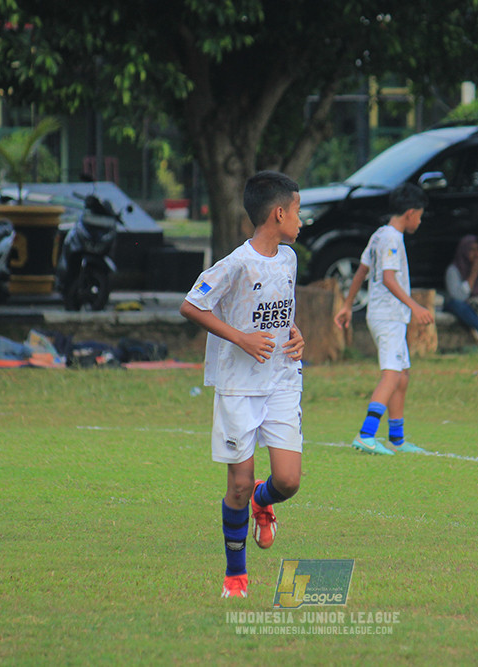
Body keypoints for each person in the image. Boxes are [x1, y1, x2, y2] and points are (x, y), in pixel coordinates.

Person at [179, 170, 306, 600]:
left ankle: (262, 501)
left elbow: (281, 314)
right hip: (238, 386)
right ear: (279, 214)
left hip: (282, 379)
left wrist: (296, 335)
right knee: (237, 483)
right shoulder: (235, 263)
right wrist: (241, 338)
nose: (301, 220)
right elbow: (191, 305)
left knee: (288, 480)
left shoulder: (288, 258)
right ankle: (236, 576)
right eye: (298, 211)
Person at [334, 183, 434, 456]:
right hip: (388, 316)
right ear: (411, 213)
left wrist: (347, 305)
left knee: (402, 375)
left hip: (388, 316)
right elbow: (389, 279)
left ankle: (396, 439)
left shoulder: (379, 235)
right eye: (420, 215)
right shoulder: (391, 239)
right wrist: (416, 307)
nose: (420, 221)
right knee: (391, 375)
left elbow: (361, 272)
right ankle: (366, 434)